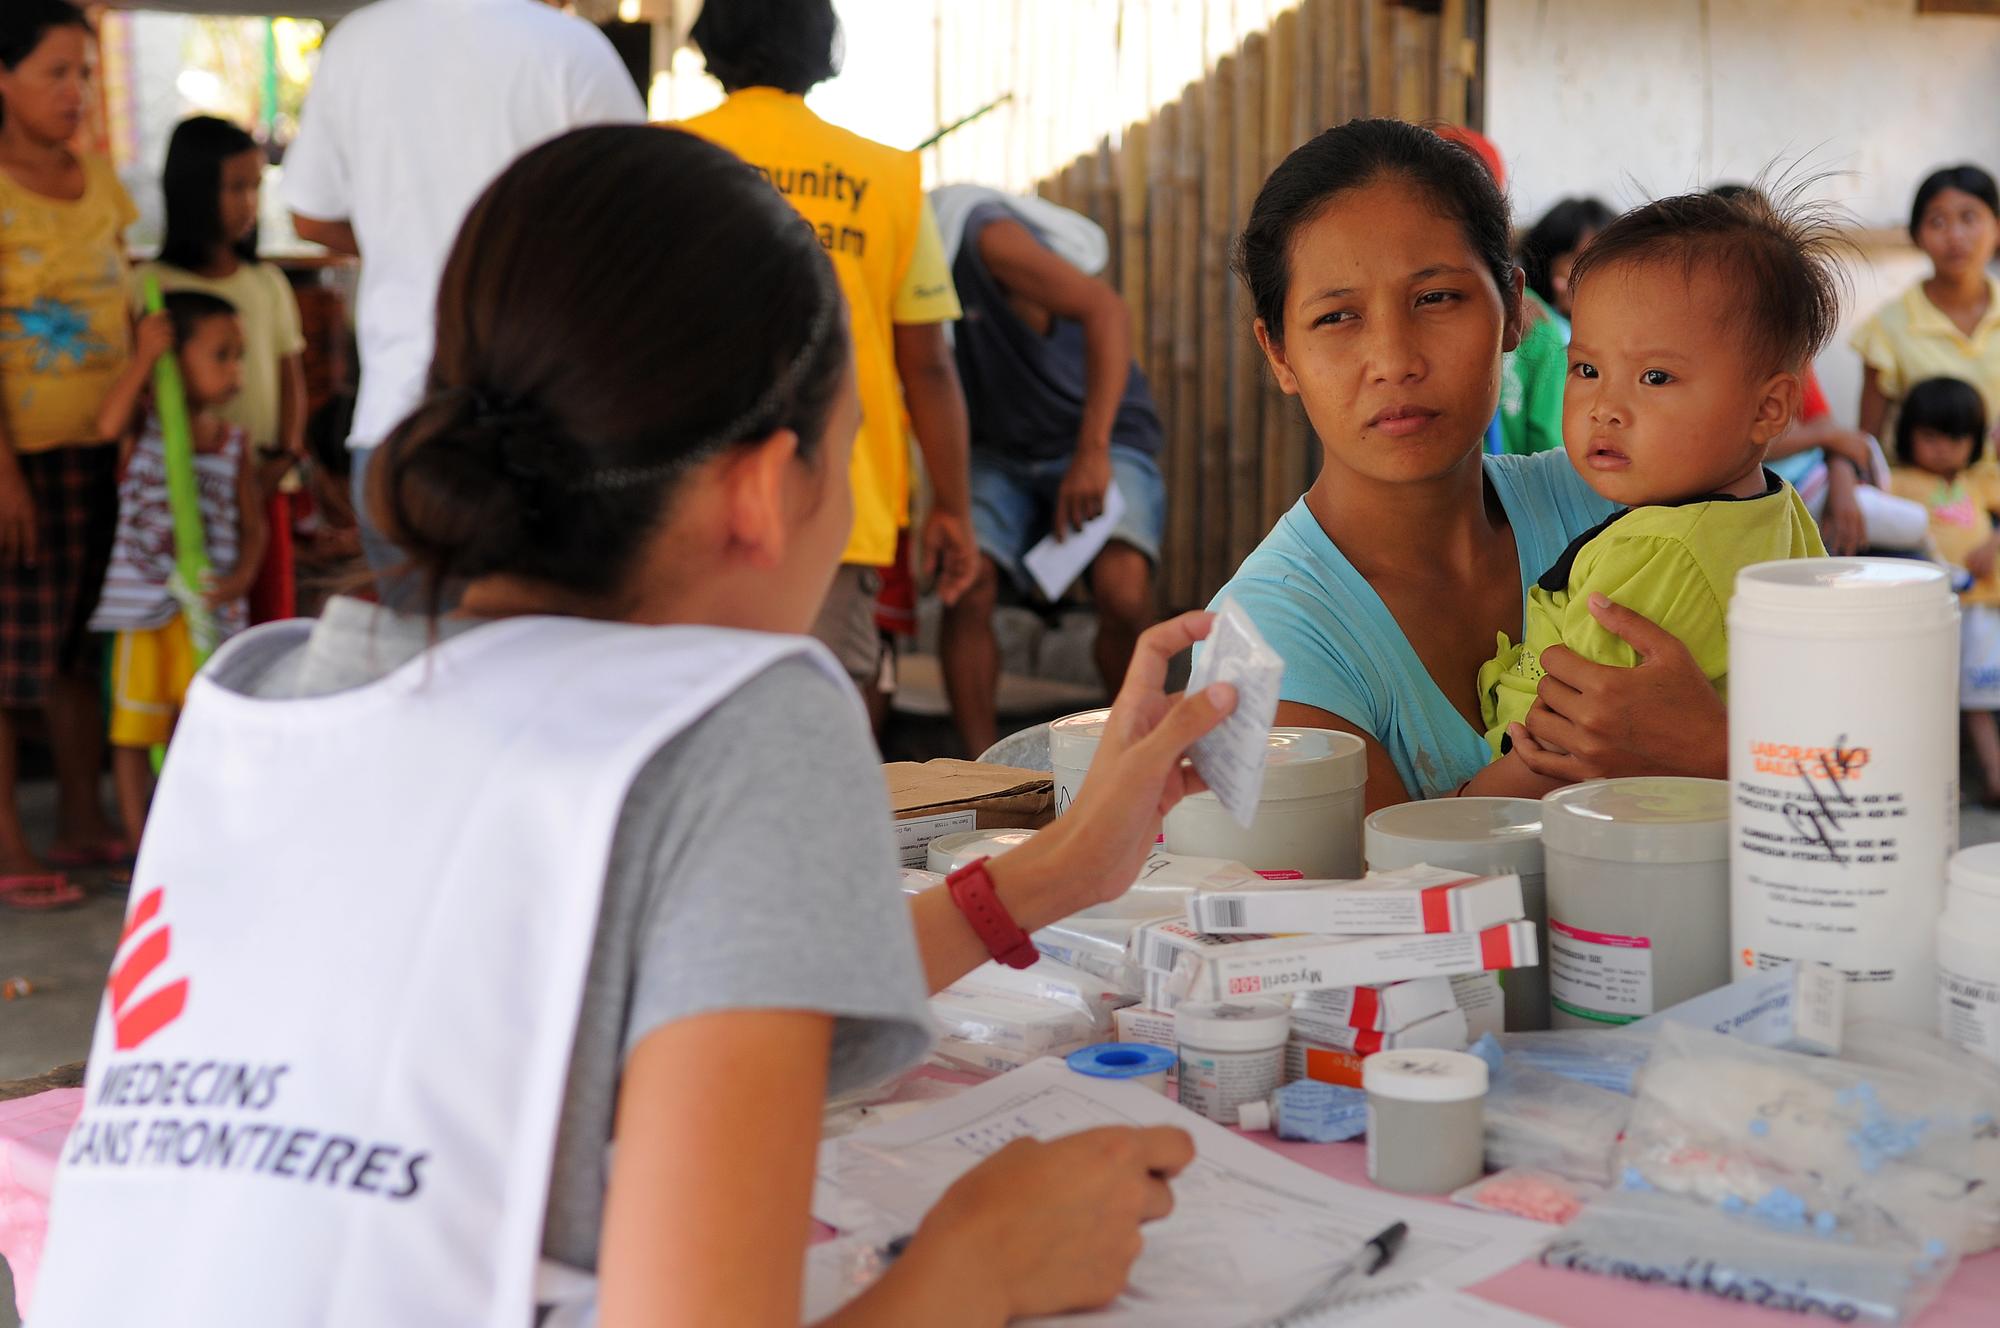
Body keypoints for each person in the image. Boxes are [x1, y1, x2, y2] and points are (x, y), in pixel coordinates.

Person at [34, 125, 1236, 1326]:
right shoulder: (737, 728)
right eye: (855, 446)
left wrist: (1054, 870)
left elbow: (676, 1005)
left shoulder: (280, 685)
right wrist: (978, 1261)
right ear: (766, 488)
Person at [1210, 119, 1729, 810]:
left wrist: (1719, 752)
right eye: (1338, 318)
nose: (1395, 361)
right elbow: (1368, 904)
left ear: (1515, 310)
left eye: (1436, 298)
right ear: (1279, 353)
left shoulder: (1629, 500)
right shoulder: (1265, 643)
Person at [1465, 190, 1832, 797]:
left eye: (1655, 377)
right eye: (1586, 370)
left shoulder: (1665, 553)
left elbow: (1571, 733)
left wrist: (1467, 809)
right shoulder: (1778, 508)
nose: (1605, 408)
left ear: (1768, 409)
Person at [281, 0, 644, 600]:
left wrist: (408, 246)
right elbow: (637, 229)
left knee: (423, 675)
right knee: (540, 676)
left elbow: (310, 216)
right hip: (550, 422)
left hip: (398, 426)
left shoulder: (357, 43)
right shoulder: (570, 50)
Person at [683, 0, 979, 725]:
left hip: (678, 487)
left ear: (711, 42)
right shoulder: (888, 177)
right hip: (835, 501)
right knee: (829, 722)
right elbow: (928, 365)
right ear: (822, 47)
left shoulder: (660, 155)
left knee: (691, 716)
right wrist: (952, 505)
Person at [932, 186, 1167, 757]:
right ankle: (982, 773)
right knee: (966, 585)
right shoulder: (904, 255)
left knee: (1123, 586)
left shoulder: (982, 234)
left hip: (1093, 434)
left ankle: (1135, 753)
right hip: (1000, 450)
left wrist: (1092, 452)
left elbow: (1107, 310)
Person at [0, 1, 133, 906]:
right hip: (19, 461)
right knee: (10, 659)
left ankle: (84, 820)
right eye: (56, 72)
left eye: (83, 72)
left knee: (78, 649)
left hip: (99, 453)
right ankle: (11, 843)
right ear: (2, 79)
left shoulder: (103, 182)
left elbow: (127, 307)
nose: (75, 91)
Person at [88, 293, 264, 846]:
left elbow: (253, 527)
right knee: (136, 730)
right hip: (141, 611)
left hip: (210, 614)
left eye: (240, 356)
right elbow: (104, 425)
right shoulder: (144, 425)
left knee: (204, 724)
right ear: (176, 358)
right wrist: (144, 359)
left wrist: (238, 582)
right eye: (221, 355)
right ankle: (144, 845)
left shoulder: (234, 443)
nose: (236, 371)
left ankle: (203, 835)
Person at [137, 115, 305, 623]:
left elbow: (291, 378)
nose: (248, 204)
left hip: (263, 480)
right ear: (192, 191)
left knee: (267, 612)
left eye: (255, 187)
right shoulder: (150, 284)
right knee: (195, 621)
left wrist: (286, 456)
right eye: (235, 188)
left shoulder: (268, 283)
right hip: (183, 491)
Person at [1886, 377, 2000, 801]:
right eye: (1930, 436)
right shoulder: (1900, 481)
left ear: (1974, 441)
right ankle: (1927, 784)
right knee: (1927, 695)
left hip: (1982, 605)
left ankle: (1993, 775)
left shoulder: (1981, 481)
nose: (1943, 449)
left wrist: (1992, 542)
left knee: (1978, 695)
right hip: (1926, 609)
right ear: (1908, 434)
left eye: (1957, 438)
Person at [1853, 165, 2000, 450]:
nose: (1955, 236)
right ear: (1917, 236)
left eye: (1969, 218)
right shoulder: (1887, 327)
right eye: (1937, 222)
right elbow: (1869, 445)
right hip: (1917, 491)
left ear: (1997, 227)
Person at [1500, 197, 1612, 456]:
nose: (1591, 274)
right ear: (1549, 261)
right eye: (1578, 260)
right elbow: (1549, 440)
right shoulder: (1547, 332)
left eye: (1603, 261)